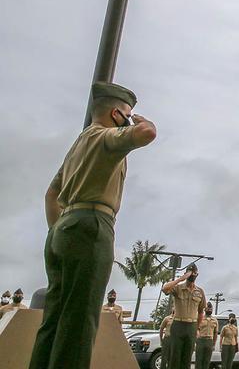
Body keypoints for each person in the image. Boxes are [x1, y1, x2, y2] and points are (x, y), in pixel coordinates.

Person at [30, 82, 156, 369]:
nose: (129, 118)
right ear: (116, 114)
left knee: (53, 320)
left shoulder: (79, 144)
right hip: (92, 225)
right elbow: (147, 133)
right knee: (79, 322)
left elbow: (52, 193)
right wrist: (141, 122)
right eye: (127, 113)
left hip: (63, 228)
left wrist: (58, 230)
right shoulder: (105, 137)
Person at [162, 264, 206, 369]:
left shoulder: (199, 292)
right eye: (190, 272)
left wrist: (197, 328)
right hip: (178, 325)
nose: (192, 274)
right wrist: (181, 279)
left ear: (197, 274)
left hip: (191, 326)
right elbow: (165, 289)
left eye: (194, 272)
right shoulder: (178, 288)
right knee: (175, 357)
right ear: (185, 273)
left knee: (187, 359)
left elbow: (200, 312)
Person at [195, 302, 218, 369]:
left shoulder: (215, 320)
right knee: (199, 360)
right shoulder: (200, 318)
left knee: (207, 361)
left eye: (211, 309)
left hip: (209, 342)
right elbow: (196, 329)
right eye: (208, 308)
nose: (210, 310)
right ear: (205, 309)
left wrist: (213, 344)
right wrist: (197, 339)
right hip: (200, 341)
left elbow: (215, 333)